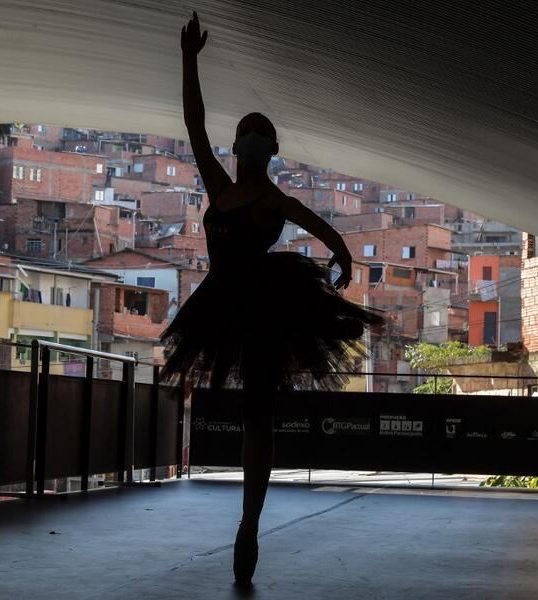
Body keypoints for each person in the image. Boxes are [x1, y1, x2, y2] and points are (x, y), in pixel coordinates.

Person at [161, 11, 384, 586]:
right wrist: (341, 260)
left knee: (256, 417)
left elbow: (194, 122)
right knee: (257, 418)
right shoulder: (260, 197)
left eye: (247, 135)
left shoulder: (232, 190)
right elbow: (330, 235)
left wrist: (189, 58)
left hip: (244, 305)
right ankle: (249, 522)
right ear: (267, 149)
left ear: (242, 147)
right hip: (250, 304)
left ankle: (249, 523)